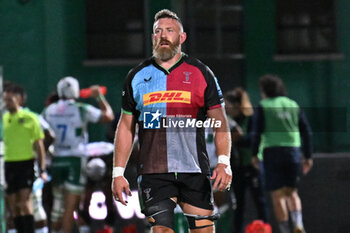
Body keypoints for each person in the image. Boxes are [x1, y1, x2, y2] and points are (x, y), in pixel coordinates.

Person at [111, 9, 232, 233]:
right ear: (152, 38)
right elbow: (126, 127)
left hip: (194, 170)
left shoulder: (201, 73)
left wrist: (224, 162)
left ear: (182, 37)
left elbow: (220, 123)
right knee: (162, 231)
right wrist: (118, 173)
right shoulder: (136, 76)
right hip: (153, 172)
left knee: (203, 231)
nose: (163, 35)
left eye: (169, 31)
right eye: (158, 31)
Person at [41, 76, 114, 233]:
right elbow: (108, 116)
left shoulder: (49, 110)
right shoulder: (81, 108)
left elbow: (42, 133)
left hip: (57, 159)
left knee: (57, 205)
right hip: (75, 159)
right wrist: (99, 96)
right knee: (70, 206)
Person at [251, 74, 313, 233]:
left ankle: (285, 230)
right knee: (292, 192)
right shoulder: (293, 104)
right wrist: (308, 156)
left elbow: (256, 133)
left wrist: (254, 155)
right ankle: (298, 223)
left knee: (277, 195)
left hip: (272, 152)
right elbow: (306, 131)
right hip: (293, 151)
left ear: (264, 90)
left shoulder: (263, 106)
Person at [3, 84, 47, 233]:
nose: (6, 103)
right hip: (9, 164)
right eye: (5, 100)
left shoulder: (30, 118)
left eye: (10, 100)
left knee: (25, 203)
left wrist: (42, 168)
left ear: (19, 99)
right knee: (14, 206)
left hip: (26, 164)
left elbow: (39, 145)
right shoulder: (4, 118)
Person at [225, 88, 268, 233]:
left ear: (236, 105)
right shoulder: (228, 121)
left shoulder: (251, 118)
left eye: (228, 105)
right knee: (238, 205)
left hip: (252, 165)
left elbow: (254, 139)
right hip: (236, 167)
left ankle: (264, 229)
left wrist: (239, 138)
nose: (226, 108)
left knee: (259, 201)